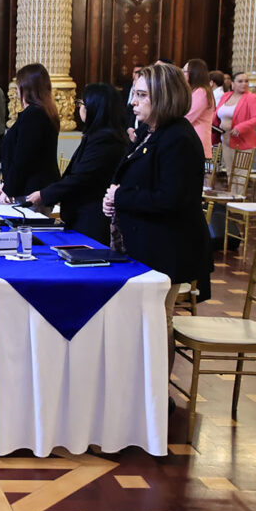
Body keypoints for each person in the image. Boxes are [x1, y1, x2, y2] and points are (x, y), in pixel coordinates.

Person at [103, 62, 212, 373]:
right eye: (134, 94)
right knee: (146, 321)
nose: (133, 102)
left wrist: (121, 197)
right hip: (149, 242)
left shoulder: (178, 138)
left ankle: (157, 394)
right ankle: (142, 389)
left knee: (157, 321)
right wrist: (115, 200)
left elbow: (171, 198)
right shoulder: (154, 133)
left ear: (163, 96)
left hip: (168, 246)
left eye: (141, 95)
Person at [27, 83, 128, 245]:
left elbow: (80, 178)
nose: (79, 107)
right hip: (80, 214)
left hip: (91, 218)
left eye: (82, 103)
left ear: (94, 108)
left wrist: (44, 195)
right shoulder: (96, 136)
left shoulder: (106, 140)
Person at [0, 63, 60, 205]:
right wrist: (6, 184)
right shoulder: (40, 112)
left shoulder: (34, 114)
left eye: (18, 86)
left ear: (26, 88)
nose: (16, 91)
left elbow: (23, 158)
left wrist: (8, 189)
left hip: (31, 192)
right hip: (29, 188)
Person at [213, 70, 256, 175]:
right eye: (240, 81)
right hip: (225, 140)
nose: (244, 84)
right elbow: (217, 113)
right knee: (229, 173)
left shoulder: (252, 98)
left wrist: (240, 127)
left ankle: (239, 188)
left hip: (242, 141)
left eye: (246, 81)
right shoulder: (226, 96)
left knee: (240, 175)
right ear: (232, 83)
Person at [183, 58, 215, 159]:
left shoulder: (201, 92)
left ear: (194, 73)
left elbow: (188, 117)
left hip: (196, 140)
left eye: (184, 71)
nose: (182, 74)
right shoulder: (195, 91)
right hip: (190, 138)